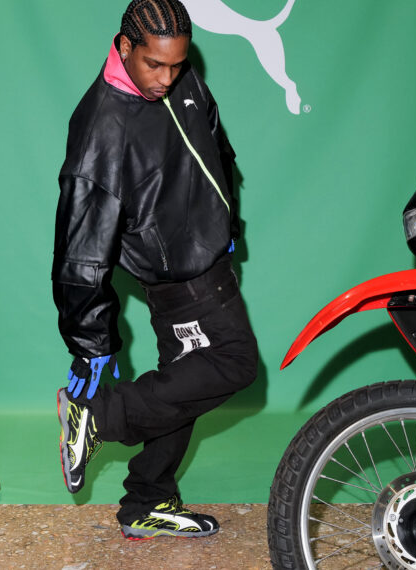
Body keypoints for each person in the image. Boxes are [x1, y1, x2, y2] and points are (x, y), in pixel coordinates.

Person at [51, 0, 258, 541]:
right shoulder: (103, 124)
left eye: (177, 64)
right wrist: (92, 344)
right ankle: (98, 416)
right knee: (235, 365)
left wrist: (227, 220)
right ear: (125, 47)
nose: (167, 78)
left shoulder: (181, 79)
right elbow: (80, 254)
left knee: (182, 383)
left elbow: (215, 146)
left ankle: (148, 500)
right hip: (182, 277)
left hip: (204, 257)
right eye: (154, 65)